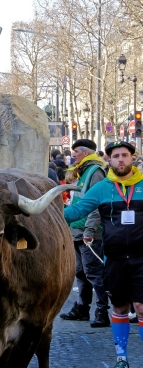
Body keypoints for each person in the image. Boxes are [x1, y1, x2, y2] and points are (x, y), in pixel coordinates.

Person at [64, 141, 143, 368]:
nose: (121, 160)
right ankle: (122, 359)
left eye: (125, 155)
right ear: (108, 160)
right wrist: (49, 208)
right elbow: (75, 212)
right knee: (119, 307)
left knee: (140, 307)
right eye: (116, 156)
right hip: (115, 260)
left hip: (142, 259)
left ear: (132, 158)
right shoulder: (102, 189)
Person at [60, 139, 109, 327]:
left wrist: (90, 229)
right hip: (76, 230)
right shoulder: (82, 171)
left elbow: (97, 204)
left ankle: (102, 311)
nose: (73, 154)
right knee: (80, 272)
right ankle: (82, 307)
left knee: (94, 273)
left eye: (76, 151)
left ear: (87, 153)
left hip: (89, 232)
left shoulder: (95, 172)